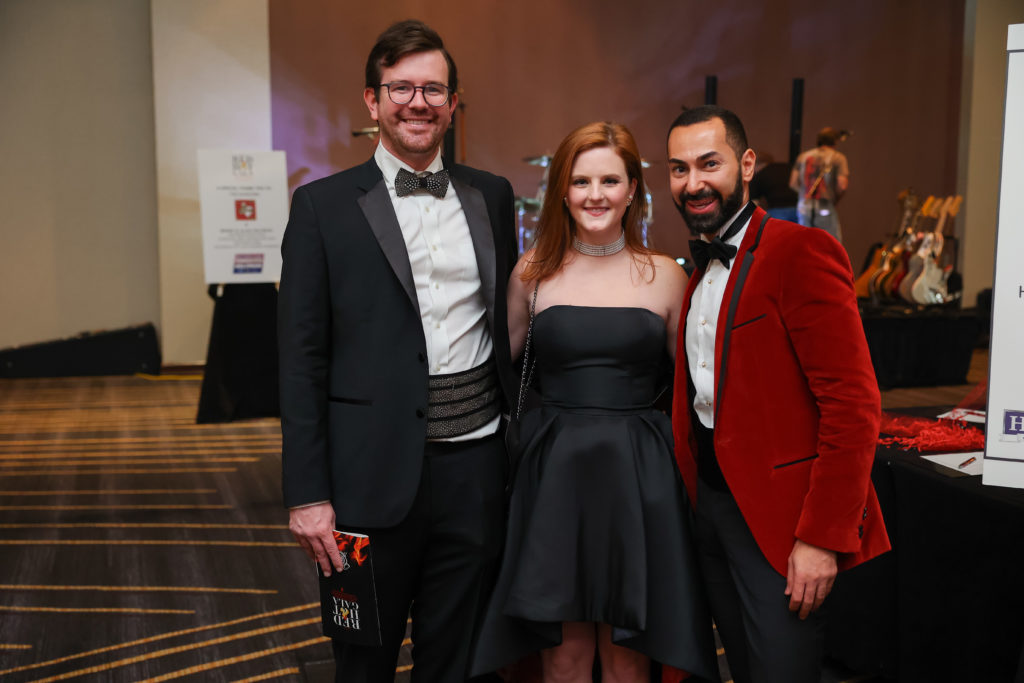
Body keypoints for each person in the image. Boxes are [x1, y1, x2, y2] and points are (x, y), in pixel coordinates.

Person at [277, 20, 517, 683]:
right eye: (402, 88)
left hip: (475, 473)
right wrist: (307, 494)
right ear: (372, 100)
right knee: (362, 661)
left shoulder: (492, 195)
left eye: (433, 89)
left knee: (458, 661)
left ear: (453, 102)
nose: (419, 103)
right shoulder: (321, 207)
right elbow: (300, 360)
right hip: (365, 479)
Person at [470, 122, 716, 682]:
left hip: (640, 477)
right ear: (562, 190)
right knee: (564, 652)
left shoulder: (668, 277)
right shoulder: (532, 272)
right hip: (554, 474)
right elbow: (493, 371)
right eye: (581, 181)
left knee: (630, 654)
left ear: (633, 190)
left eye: (610, 180)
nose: (595, 194)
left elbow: (698, 389)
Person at [666, 105, 889, 683]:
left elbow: (853, 406)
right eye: (679, 168)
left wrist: (821, 538)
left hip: (783, 523)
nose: (693, 183)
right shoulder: (698, 271)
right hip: (712, 507)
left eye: (709, 164)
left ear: (745, 165)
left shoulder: (801, 251)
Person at [789, 126, 849, 243]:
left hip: (804, 206)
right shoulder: (838, 158)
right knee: (830, 244)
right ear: (835, 141)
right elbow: (842, 186)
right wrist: (835, 199)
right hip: (824, 205)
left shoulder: (803, 156)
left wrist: (804, 194)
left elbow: (793, 183)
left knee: (805, 243)